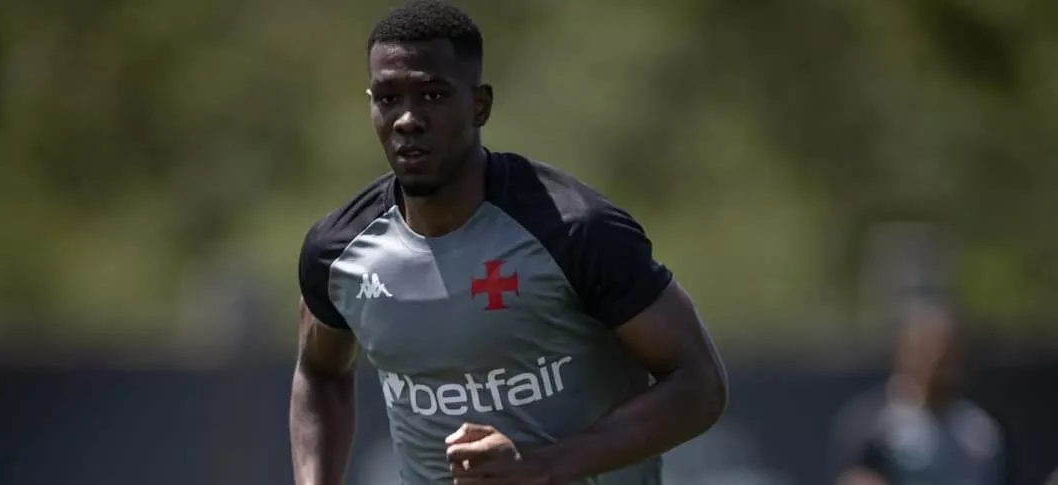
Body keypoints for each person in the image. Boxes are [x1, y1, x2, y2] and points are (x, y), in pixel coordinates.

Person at [288, 1, 728, 484]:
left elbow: (698, 385)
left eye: (433, 95)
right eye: (388, 98)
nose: (407, 118)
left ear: (480, 105)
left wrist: (541, 468)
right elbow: (320, 372)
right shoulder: (339, 253)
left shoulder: (576, 231)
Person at [831, 296, 1007, 485]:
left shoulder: (982, 431)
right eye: (927, 348)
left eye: (949, 349)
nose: (940, 359)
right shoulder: (874, 427)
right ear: (904, 352)